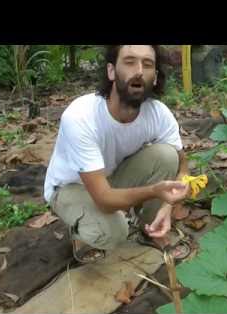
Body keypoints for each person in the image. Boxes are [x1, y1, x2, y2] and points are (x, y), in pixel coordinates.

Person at [43, 45, 191, 264]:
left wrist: (168, 205)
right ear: (111, 71)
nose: (139, 71)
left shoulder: (158, 113)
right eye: (130, 62)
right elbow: (103, 200)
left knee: (167, 155)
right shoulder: (80, 116)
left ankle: (152, 227)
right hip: (70, 189)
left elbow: (183, 168)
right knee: (114, 231)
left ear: (156, 77)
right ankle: (82, 233)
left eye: (147, 64)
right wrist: (155, 191)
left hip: (110, 179)